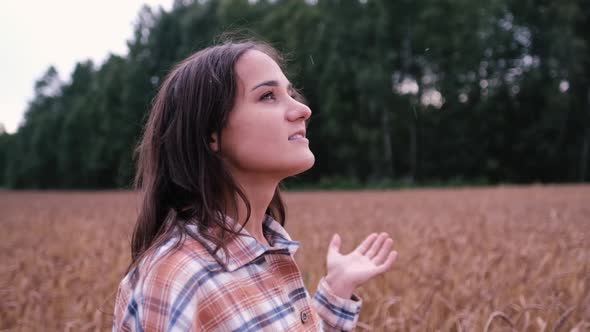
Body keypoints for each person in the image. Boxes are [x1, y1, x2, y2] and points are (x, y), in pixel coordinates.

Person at [113, 39, 397, 331]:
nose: (302, 110)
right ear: (212, 134)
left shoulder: (266, 250)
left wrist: (336, 290)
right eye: (268, 96)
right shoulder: (177, 279)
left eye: (290, 93)